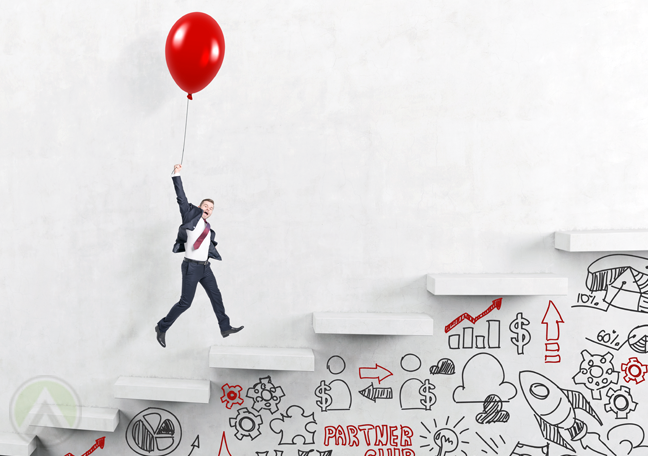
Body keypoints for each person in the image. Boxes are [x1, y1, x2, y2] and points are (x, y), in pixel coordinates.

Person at [155, 164, 243, 347]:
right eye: (205, 205)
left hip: (205, 267)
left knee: (216, 296)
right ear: (199, 207)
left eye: (211, 207)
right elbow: (181, 197)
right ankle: (162, 327)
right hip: (191, 267)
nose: (208, 208)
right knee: (185, 303)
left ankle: (225, 327)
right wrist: (176, 175)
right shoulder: (190, 216)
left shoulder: (209, 229)